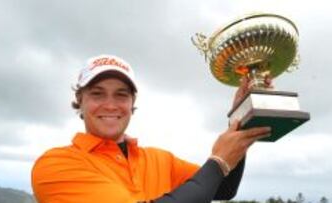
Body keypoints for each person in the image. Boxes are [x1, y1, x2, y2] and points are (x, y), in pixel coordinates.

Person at [31, 54, 271, 203]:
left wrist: (239, 118)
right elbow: (218, 169)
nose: (111, 105)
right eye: (97, 94)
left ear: (132, 103)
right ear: (80, 102)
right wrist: (218, 161)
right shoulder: (56, 164)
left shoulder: (159, 159)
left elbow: (223, 188)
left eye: (121, 95)